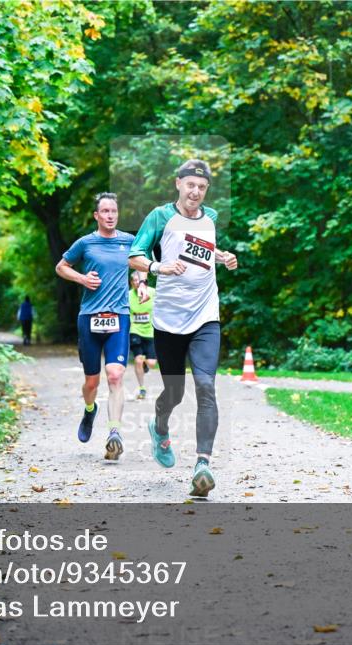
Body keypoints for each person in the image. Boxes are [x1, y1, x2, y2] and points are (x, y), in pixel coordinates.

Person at [128, 159, 238, 497]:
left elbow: (201, 247)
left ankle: (202, 464)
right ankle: (159, 427)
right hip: (168, 318)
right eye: (190, 185)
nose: (196, 192)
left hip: (205, 314)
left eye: (202, 187)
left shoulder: (213, 218)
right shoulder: (160, 217)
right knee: (174, 392)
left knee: (206, 385)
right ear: (178, 184)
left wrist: (221, 256)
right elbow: (135, 255)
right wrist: (160, 267)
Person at [55, 193, 134, 460]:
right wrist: (81, 278)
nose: (110, 215)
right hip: (90, 317)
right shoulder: (85, 243)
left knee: (115, 374)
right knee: (92, 382)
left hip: (119, 317)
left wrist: (142, 282)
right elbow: (61, 266)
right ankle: (90, 410)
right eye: (105, 211)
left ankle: (115, 433)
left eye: (114, 210)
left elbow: (141, 265)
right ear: (96, 216)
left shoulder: (129, 242)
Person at [128, 270, 157, 400]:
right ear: (131, 283)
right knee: (138, 360)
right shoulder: (127, 295)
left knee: (151, 363)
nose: (136, 283)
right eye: (133, 280)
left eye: (138, 280)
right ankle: (142, 388)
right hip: (135, 330)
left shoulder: (153, 292)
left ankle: (145, 365)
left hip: (150, 330)